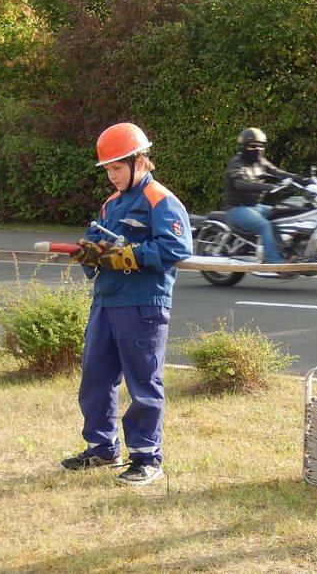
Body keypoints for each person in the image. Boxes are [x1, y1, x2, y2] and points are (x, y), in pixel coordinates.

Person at [61, 122, 192, 486]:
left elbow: (178, 248)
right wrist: (88, 253)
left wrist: (131, 255)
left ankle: (147, 456)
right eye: (109, 170)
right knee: (96, 379)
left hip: (143, 304)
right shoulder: (111, 204)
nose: (113, 176)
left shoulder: (160, 200)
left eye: (117, 168)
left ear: (139, 161)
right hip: (106, 301)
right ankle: (102, 448)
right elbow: (94, 243)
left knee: (143, 382)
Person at [222, 127, 308, 265]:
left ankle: (287, 252)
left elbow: (278, 172)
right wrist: (266, 187)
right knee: (264, 226)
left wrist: (303, 180)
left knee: (281, 213)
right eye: (253, 146)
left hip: (255, 207)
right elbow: (240, 183)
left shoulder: (260, 162)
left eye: (261, 145)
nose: (258, 149)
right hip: (237, 209)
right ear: (243, 147)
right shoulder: (236, 163)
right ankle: (274, 261)